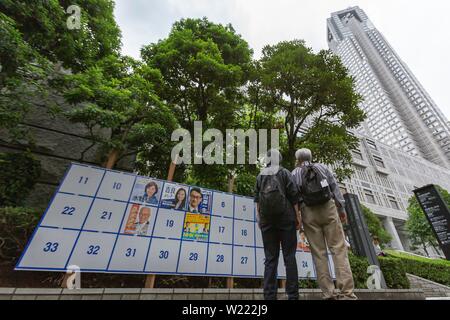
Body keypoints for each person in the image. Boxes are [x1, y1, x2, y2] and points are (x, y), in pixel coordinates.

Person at [292, 148, 357, 300]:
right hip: (328, 208)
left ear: (298, 159)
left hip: (308, 212)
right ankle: (347, 293)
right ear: (311, 156)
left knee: (319, 254)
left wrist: (298, 217)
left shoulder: (294, 173)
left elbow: (294, 196)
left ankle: (329, 293)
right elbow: (334, 187)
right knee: (339, 250)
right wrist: (341, 208)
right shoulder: (322, 167)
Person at [254, 149, 301, 300]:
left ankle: (269, 296)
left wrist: (260, 219)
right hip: (286, 219)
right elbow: (294, 197)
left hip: (267, 221)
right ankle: (292, 295)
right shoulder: (285, 172)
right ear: (279, 159)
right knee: (289, 257)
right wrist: (298, 217)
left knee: (270, 259)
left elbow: (257, 201)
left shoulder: (260, 175)